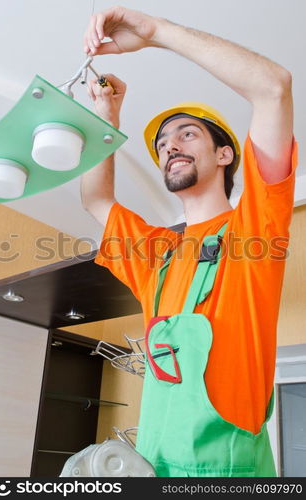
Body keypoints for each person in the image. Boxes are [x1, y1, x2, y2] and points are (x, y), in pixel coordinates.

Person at [81, 6, 298, 477]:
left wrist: (157, 33)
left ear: (225, 154)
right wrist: (105, 116)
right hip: (153, 466)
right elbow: (96, 198)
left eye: (186, 133)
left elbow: (273, 86)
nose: (170, 146)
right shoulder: (156, 253)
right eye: (162, 145)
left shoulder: (254, 230)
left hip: (229, 471)